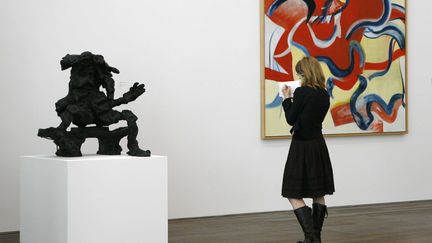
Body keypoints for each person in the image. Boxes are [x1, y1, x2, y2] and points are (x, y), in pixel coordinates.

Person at [281, 56, 335, 243]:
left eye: (299, 73)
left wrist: (287, 98)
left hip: (301, 146)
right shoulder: (324, 93)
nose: (299, 77)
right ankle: (315, 238)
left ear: (304, 72)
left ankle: (311, 238)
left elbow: (290, 118)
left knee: (291, 192)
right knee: (318, 192)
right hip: (318, 145)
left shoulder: (303, 92)